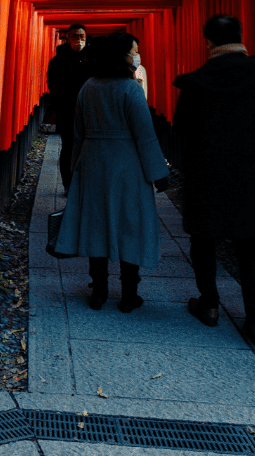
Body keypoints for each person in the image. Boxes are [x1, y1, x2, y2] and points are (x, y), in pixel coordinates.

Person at [173, 14, 255, 348]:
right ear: (240, 36)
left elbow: (181, 134)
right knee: (251, 246)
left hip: (207, 174)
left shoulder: (195, 83)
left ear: (209, 43)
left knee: (203, 239)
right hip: (251, 173)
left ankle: (209, 305)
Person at [53, 34, 171, 313]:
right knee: (131, 225)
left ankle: (100, 291)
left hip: (93, 162)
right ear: (121, 56)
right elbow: (145, 135)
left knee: (96, 225)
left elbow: (77, 131)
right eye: (134, 51)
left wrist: (75, 166)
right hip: (127, 163)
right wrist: (159, 173)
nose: (136, 56)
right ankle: (129, 294)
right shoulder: (130, 89)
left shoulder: (88, 87)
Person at [46, 24, 89, 192]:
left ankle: (85, 183)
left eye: (82, 36)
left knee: (89, 148)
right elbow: (54, 88)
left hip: (90, 113)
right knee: (69, 148)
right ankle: (69, 184)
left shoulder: (92, 60)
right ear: (68, 38)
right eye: (75, 36)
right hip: (68, 112)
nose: (79, 40)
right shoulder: (57, 62)